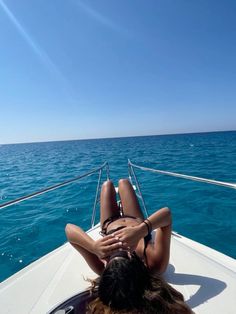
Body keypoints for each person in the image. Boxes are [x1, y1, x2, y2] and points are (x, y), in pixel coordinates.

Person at [65, 179, 193, 314]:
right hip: (135, 220)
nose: (118, 247)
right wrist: (140, 230)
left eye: (111, 256)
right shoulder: (155, 263)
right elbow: (166, 214)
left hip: (109, 224)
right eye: (122, 253)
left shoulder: (101, 266)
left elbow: (69, 229)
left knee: (107, 185)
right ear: (136, 264)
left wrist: (93, 247)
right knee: (124, 183)